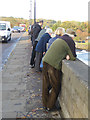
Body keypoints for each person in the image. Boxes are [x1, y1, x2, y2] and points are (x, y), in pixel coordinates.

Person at [42, 30, 76, 111]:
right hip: (53, 65)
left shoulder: (60, 38)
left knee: (45, 84)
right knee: (56, 86)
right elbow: (73, 57)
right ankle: (50, 106)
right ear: (72, 36)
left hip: (45, 60)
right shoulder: (70, 41)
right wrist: (67, 56)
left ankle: (45, 104)